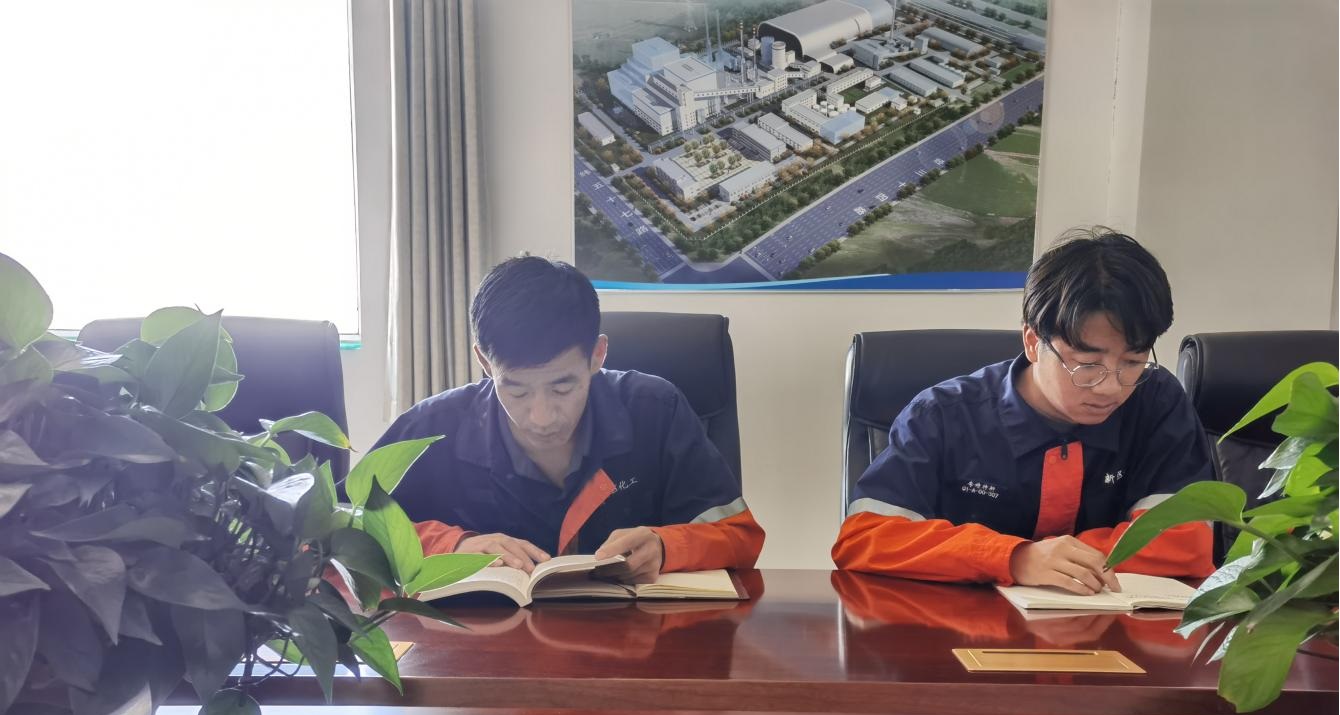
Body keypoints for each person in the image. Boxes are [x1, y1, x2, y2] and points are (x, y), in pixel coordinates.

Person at [832, 228, 1215, 592]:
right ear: (1033, 342)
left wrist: (1061, 561)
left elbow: (1186, 540)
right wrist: (1014, 558)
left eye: (1132, 362)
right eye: (1087, 364)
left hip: (1108, 628)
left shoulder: (1157, 401)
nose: (1111, 387)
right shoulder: (942, 415)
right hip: (964, 630)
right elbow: (866, 538)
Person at [372, 255, 764, 584]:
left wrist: (666, 546)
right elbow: (346, 527)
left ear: (597, 355)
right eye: (517, 391)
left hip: (631, 642)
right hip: (485, 646)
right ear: (485, 363)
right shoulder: (435, 426)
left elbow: (740, 537)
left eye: (562, 388)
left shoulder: (655, 410)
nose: (541, 418)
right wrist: (452, 546)